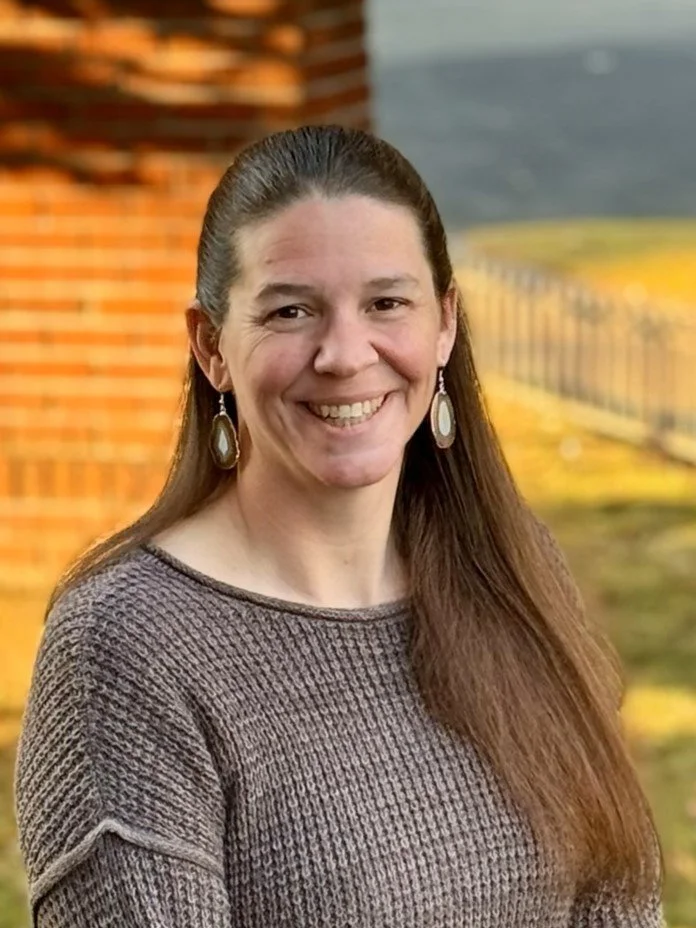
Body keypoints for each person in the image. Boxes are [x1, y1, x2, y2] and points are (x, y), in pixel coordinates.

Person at [14, 125, 664, 927]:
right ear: (212, 347)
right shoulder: (126, 649)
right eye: (291, 311)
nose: (345, 354)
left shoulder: (508, 570)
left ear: (445, 324)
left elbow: (618, 892)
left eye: (386, 303)